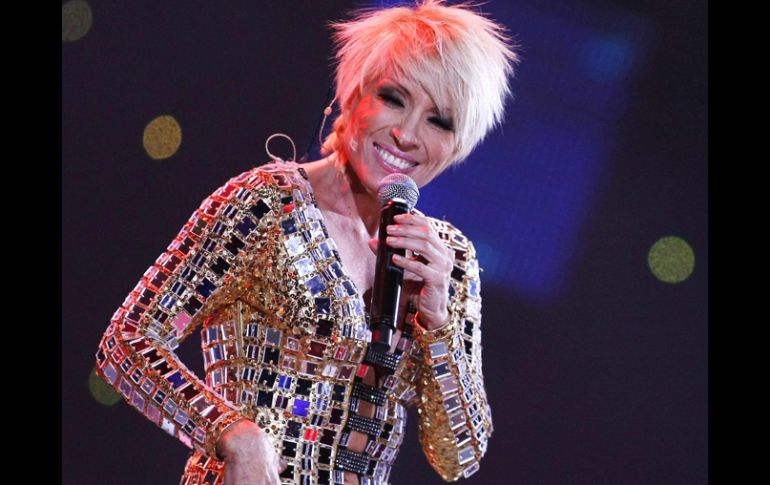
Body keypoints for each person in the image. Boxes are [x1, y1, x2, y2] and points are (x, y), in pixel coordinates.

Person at [94, 1, 519, 484]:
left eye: (439, 121)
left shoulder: (446, 260)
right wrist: (233, 433)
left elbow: (459, 455)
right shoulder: (266, 204)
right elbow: (127, 343)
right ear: (353, 94)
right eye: (394, 99)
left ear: (458, 145)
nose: (406, 134)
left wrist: (438, 320)